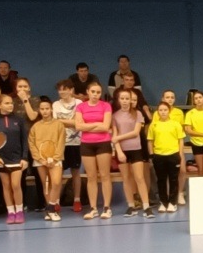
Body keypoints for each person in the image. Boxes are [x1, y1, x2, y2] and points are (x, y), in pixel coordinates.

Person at [73, 81, 114, 219]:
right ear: (88, 92)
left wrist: (88, 125)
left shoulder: (106, 106)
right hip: (86, 144)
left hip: (103, 143)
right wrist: (97, 124)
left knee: (105, 175)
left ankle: (107, 208)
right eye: (93, 92)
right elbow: (78, 126)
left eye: (98, 92)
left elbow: (105, 127)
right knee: (91, 177)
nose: (95, 94)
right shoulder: (81, 107)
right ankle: (93, 208)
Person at [0, 94, 28, 223]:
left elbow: (24, 140)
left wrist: (24, 158)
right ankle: (11, 212)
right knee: (6, 186)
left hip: (16, 158)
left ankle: (19, 211)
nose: (10, 105)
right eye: (7, 103)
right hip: (1, 159)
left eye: (11, 103)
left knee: (16, 185)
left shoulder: (19, 120)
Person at [113, 87, 153, 216]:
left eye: (127, 98)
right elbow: (114, 136)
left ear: (131, 100)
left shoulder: (138, 114)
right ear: (119, 100)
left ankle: (146, 206)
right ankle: (131, 206)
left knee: (139, 177)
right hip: (122, 151)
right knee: (126, 178)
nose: (125, 101)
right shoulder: (115, 116)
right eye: (122, 98)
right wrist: (119, 151)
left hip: (136, 149)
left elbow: (135, 133)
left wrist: (118, 137)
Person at [28, 97, 66, 221]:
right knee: (46, 185)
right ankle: (50, 210)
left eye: (47, 108)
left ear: (51, 109)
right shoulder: (35, 127)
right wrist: (40, 159)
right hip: (40, 160)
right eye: (42, 109)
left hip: (55, 159)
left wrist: (54, 159)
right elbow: (32, 144)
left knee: (56, 183)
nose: (45, 111)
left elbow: (61, 142)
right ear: (39, 110)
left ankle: (51, 208)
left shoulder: (59, 125)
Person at [148, 98, 186, 213]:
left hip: (173, 155)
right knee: (161, 180)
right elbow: (150, 140)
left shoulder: (176, 124)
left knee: (173, 179)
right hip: (159, 156)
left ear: (169, 111)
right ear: (157, 112)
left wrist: (179, 154)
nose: (163, 112)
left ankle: (172, 202)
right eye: (161, 110)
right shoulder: (154, 125)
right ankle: (163, 202)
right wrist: (152, 155)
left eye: (165, 110)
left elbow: (180, 140)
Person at [53, 79, 83, 212]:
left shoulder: (79, 103)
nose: (62, 92)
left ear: (71, 90)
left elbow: (78, 123)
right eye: (60, 90)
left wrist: (62, 121)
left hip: (76, 143)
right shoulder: (55, 105)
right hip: (60, 143)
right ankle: (56, 201)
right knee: (58, 174)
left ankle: (77, 200)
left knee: (75, 172)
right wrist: (71, 121)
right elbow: (55, 123)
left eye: (65, 89)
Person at [186, 93, 203, 182]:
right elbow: (188, 130)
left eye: (200, 97)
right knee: (200, 170)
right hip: (195, 143)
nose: (198, 100)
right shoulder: (190, 113)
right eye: (196, 98)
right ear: (194, 101)